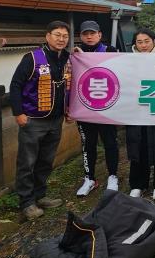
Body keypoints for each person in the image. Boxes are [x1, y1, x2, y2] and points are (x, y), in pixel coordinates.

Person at [10, 21, 71, 220]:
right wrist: (18, 113)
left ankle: (40, 195)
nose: (61, 39)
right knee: (27, 162)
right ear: (47, 36)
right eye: (57, 35)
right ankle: (27, 203)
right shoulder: (32, 58)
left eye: (65, 36)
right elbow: (16, 85)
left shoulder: (68, 59)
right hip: (33, 119)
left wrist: (68, 110)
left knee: (45, 161)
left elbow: (68, 86)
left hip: (56, 120)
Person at [73, 20, 120, 197]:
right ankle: (89, 178)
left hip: (107, 107)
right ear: (80, 36)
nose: (89, 37)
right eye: (85, 34)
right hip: (85, 107)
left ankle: (113, 176)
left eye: (92, 33)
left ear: (99, 34)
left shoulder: (110, 51)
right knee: (88, 144)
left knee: (110, 143)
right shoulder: (75, 54)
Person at [127, 28, 155, 200]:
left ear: (154, 41)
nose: (143, 45)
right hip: (136, 109)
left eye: (147, 41)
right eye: (139, 42)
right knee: (138, 145)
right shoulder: (127, 60)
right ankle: (138, 184)